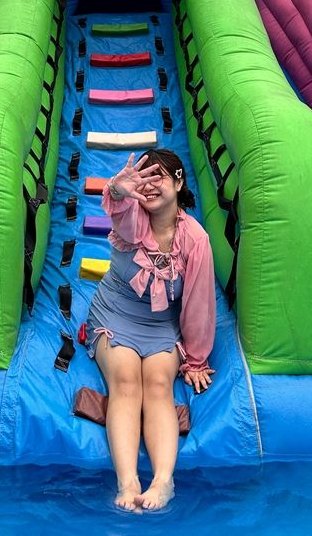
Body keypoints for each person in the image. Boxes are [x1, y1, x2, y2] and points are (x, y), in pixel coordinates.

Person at [84, 148, 216, 512]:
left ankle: (162, 481)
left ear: (179, 181)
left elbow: (198, 303)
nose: (151, 185)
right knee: (126, 381)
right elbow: (121, 212)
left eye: (159, 176)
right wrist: (121, 190)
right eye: (145, 177)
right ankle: (127, 482)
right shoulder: (135, 220)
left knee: (158, 384)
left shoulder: (196, 240)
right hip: (115, 315)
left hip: (161, 325)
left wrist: (196, 360)